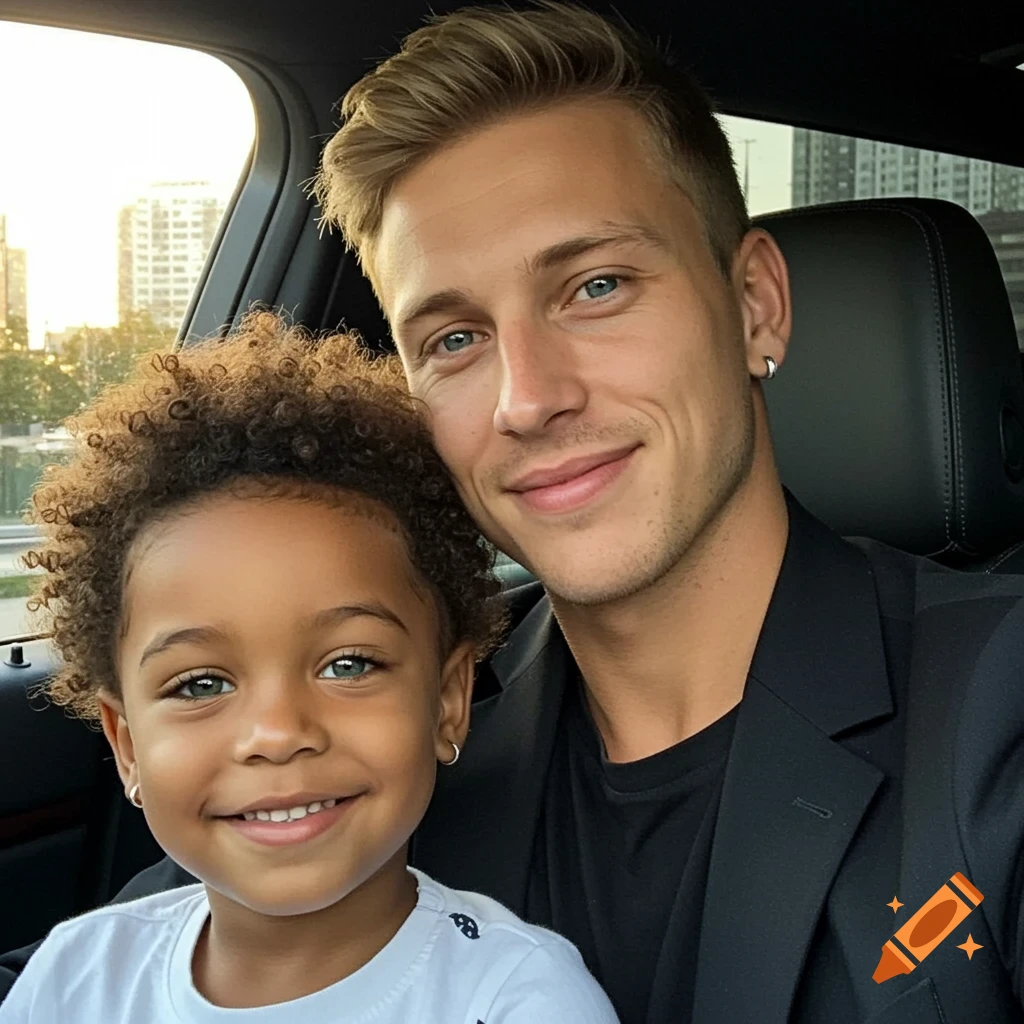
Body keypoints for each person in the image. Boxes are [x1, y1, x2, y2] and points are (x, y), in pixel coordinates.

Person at [3, 3, 1024, 1023]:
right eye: (452, 339)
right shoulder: (387, 733)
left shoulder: (996, 710)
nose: (526, 398)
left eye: (596, 286)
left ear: (754, 303)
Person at [0, 314, 619, 1023]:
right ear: (128, 746)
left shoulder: (515, 998)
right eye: (201, 684)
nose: (276, 732)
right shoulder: (74, 977)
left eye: (349, 665)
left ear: (448, 701)